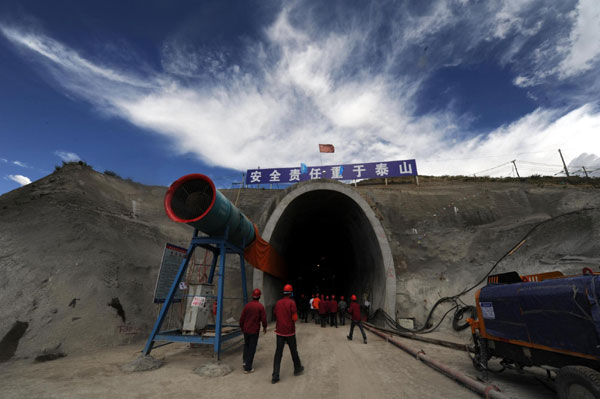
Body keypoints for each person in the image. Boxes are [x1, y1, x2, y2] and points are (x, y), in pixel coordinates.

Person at [271, 284, 304, 384]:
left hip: (280, 331)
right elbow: (295, 318)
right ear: (291, 292)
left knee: (278, 353)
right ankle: (297, 369)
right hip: (290, 332)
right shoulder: (292, 303)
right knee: (293, 350)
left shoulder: (278, 302)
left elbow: (275, 314)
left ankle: (275, 376)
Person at [239, 288, 267, 373]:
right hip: (254, 330)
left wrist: (241, 327)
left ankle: (245, 362)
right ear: (259, 297)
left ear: (252, 296)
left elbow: (242, 318)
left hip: (246, 330)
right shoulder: (260, 307)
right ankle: (248, 368)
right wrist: (265, 327)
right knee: (252, 348)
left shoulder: (247, 306)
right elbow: (264, 319)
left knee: (246, 345)